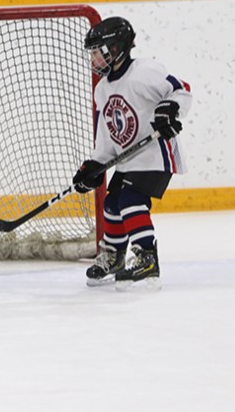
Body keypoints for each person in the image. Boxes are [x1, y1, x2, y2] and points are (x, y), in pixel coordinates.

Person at [72, 16, 192, 289]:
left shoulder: (144, 72)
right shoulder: (102, 90)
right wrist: (94, 165)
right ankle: (114, 257)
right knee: (112, 204)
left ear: (115, 49)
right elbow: (107, 136)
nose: (93, 59)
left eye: (97, 52)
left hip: (156, 152)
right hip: (129, 160)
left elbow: (181, 90)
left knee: (129, 199)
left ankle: (147, 258)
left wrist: (169, 109)